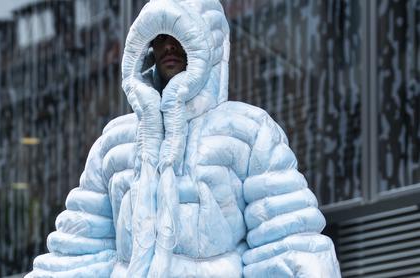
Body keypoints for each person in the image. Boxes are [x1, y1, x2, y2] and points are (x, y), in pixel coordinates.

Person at [26, 0, 342, 277]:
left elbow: (286, 242)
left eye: (180, 36)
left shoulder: (247, 130)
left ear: (209, 44)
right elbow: (79, 252)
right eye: (160, 37)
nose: (168, 47)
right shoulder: (115, 143)